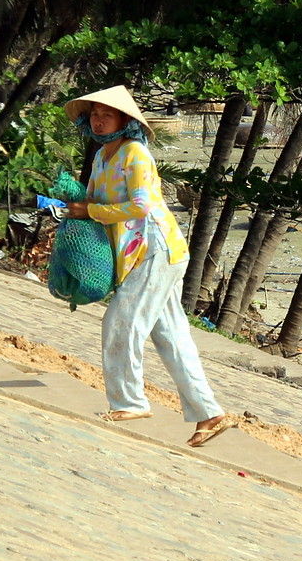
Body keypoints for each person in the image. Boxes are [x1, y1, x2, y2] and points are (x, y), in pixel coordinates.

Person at [63, 85, 233, 447]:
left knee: (121, 321)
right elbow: (94, 199)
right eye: (94, 113)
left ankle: (130, 402)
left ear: (125, 121)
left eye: (106, 114)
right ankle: (210, 413)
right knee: (171, 337)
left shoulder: (135, 154)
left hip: (154, 248)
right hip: (140, 252)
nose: (98, 119)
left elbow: (141, 206)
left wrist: (90, 211)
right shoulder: (101, 157)